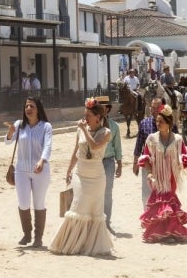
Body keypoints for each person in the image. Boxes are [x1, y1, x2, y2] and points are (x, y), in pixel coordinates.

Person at [49, 98, 113, 256]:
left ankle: (88, 245)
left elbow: (95, 146)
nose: (85, 119)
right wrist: (69, 170)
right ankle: (70, 244)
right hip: (81, 173)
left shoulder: (106, 132)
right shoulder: (81, 130)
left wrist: (84, 130)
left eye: (89, 116)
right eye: (85, 115)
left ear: (98, 117)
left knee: (94, 211)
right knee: (77, 206)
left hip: (97, 176)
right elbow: (76, 151)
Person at [138, 104, 187, 243]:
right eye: (157, 121)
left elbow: (184, 155)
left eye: (161, 122)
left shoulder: (177, 139)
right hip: (157, 177)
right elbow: (146, 157)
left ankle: (169, 231)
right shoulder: (151, 139)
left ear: (169, 123)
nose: (158, 124)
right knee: (160, 202)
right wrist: (150, 172)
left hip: (171, 177)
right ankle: (163, 232)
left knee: (168, 201)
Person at [5, 96, 52, 247]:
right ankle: (27, 234)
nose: (28, 109)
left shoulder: (46, 126)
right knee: (23, 203)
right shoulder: (19, 125)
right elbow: (7, 141)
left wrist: (42, 160)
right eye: (26, 106)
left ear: (38, 109)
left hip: (40, 171)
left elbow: (48, 146)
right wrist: (11, 132)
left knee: (39, 203)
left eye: (32, 106)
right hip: (21, 171)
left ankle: (38, 238)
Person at [96, 95, 122, 235]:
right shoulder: (91, 125)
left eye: (103, 107)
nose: (101, 109)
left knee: (107, 193)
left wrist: (120, 164)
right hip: (94, 162)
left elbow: (117, 146)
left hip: (108, 161)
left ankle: (107, 223)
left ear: (107, 109)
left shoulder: (114, 126)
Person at [133, 97, 162, 209]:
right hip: (147, 163)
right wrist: (135, 162)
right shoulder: (144, 123)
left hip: (163, 163)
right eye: (152, 108)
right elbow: (139, 145)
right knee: (146, 190)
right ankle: (147, 214)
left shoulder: (169, 124)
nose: (154, 110)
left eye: (157, 108)